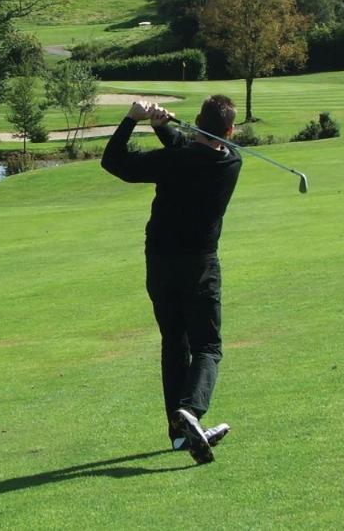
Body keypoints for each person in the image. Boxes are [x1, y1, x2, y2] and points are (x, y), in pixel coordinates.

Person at [100, 94, 243, 465]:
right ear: (229, 131)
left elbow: (114, 162)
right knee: (208, 346)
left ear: (197, 120)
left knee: (174, 344)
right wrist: (164, 128)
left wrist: (134, 119)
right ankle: (191, 412)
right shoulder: (232, 160)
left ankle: (180, 435)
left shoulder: (173, 161)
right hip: (200, 265)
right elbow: (196, 151)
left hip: (160, 265)